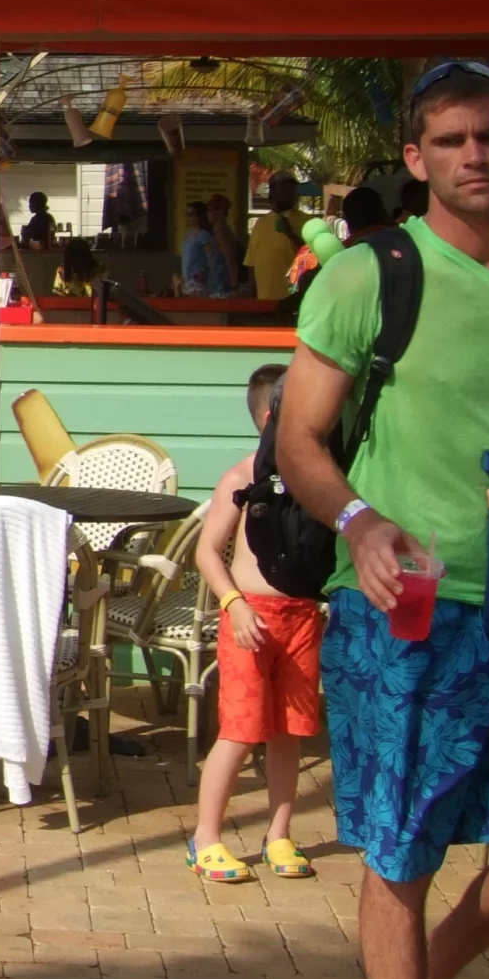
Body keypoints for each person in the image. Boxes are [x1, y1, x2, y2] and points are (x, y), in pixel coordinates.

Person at [276, 59, 489, 979]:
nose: (472, 156)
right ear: (414, 159)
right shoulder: (367, 277)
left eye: (488, 136)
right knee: (399, 851)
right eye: (448, 141)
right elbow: (299, 442)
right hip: (400, 609)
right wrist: (360, 522)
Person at [188, 363, 320, 885]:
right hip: (250, 619)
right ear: (272, 418)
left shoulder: (317, 478)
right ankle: (205, 838)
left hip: (302, 618)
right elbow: (206, 552)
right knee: (240, 732)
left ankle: (279, 832)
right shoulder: (244, 478)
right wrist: (234, 604)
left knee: (290, 731)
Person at [245, 174, 307, 301]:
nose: (287, 194)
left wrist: (290, 234)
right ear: (272, 195)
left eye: (291, 190)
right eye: (283, 190)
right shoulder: (260, 223)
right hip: (264, 299)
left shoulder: (307, 221)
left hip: (293, 300)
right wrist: (252, 296)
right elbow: (251, 262)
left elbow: (312, 258)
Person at [181, 202, 230, 297]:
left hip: (199, 283)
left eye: (191, 214)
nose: (187, 217)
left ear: (199, 216)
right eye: (186, 214)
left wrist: (207, 277)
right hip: (187, 282)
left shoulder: (204, 236)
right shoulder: (186, 235)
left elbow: (212, 260)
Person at [207, 191, 248, 291]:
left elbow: (230, 259)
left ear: (222, 211)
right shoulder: (219, 229)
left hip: (222, 282)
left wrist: (234, 283)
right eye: (207, 210)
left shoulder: (221, 231)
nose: (209, 213)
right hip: (217, 279)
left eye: (213, 210)